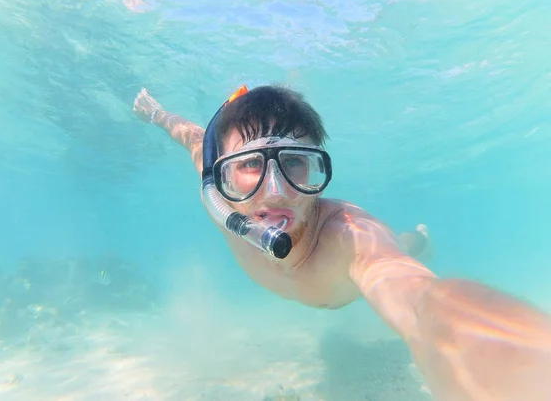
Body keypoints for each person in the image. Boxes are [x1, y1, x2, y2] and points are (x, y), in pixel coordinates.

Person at [133, 84, 551, 401]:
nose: (275, 191)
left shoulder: (348, 238)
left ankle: (419, 240)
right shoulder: (217, 194)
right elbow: (190, 136)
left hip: (350, 282)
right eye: (249, 165)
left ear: (317, 172)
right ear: (221, 175)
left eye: (295, 162)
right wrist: (155, 113)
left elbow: (420, 301)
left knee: (403, 245)